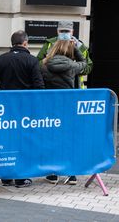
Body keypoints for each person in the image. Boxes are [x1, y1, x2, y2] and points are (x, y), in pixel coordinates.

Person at [0, 30, 45, 188]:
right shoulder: (32, 60)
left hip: (5, 109)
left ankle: (6, 177)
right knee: (23, 142)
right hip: (26, 111)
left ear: (12, 43)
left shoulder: (1, 60)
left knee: (6, 142)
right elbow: (39, 87)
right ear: (25, 43)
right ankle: (21, 178)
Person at [41, 40, 87, 185]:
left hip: (50, 107)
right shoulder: (72, 66)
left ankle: (52, 173)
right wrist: (76, 48)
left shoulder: (43, 65)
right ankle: (71, 174)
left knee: (52, 138)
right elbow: (85, 63)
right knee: (68, 139)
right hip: (68, 107)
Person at [37, 20, 92, 89]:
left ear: (72, 31)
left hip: (75, 84)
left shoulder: (79, 46)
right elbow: (37, 62)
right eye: (61, 31)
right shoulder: (49, 44)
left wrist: (75, 69)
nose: (64, 34)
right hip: (52, 84)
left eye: (67, 31)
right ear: (57, 31)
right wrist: (47, 61)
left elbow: (88, 66)